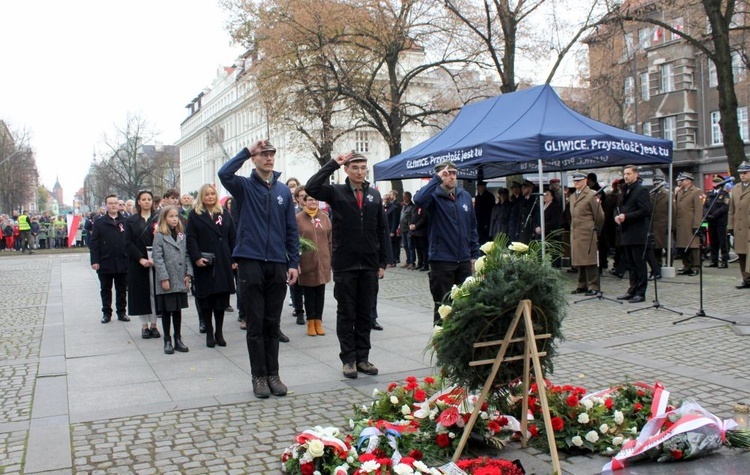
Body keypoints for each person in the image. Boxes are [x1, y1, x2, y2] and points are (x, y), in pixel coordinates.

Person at [218, 139, 299, 399]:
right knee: (255, 324)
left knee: (272, 323)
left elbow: (291, 230)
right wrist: (245, 152)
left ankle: (274, 374)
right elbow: (224, 173)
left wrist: (293, 262)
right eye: (263, 154)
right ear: (255, 158)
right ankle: (258, 376)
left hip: (276, 263)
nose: (268, 158)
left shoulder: (283, 192)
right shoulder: (243, 186)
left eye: (271, 154)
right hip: (250, 260)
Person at [306, 150, 387, 379]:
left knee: (364, 314)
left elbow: (382, 229)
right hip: (345, 263)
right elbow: (311, 187)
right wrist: (332, 163)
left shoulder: (374, 195)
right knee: (346, 313)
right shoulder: (336, 192)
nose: (360, 172)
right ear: (347, 170)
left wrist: (383, 261)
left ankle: (363, 358)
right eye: (355, 168)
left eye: (363, 167)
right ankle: (348, 359)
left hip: (369, 263)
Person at [413, 160, 479, 324]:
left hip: (463, 260)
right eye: (446, 173)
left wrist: (474, 255)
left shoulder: (463, 196)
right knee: (443, 306)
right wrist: (436, 179)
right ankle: (441, 344)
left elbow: (472, 227)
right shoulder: (432, 197)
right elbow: (418, 200)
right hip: (442, 261)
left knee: (464, 305)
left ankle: (460, 342)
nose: (451, 177)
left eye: (454, 173)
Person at [186, 184, 237, 348]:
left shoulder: (223, 213)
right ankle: (209, 331)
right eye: (207, 194)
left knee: (221, 300)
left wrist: (234, 258)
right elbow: (191, 238)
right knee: (206, 299)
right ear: (202, 196)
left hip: (222, 260)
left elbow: (232, 237)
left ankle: (219, 332)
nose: (210, 197)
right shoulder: (195, 215)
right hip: (205, 261)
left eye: (212, 194)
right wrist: (196, 257)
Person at [151, 206, 193, 354]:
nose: (174, 219)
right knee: (167, 311)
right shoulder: (160, 236)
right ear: (164, 218)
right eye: (171, 216)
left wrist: (188, 273)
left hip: (180, 278)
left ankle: (178, 338)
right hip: (167, 279)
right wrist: (164, 277)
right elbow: (157, 258)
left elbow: (187, 255)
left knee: (177, 310)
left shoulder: (181, 235)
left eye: (176, 216)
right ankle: (167, 340)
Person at [294, 188, 332, 337]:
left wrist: (331, 258)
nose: (313, 202)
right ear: (304, 201)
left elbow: (330, 239)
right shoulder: (298, 218)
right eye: (310, 199)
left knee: (320, 292)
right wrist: (295, 261)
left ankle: (319, 321)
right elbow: (294, 240)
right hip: (307, 261)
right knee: (309, 293)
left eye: (315, 199)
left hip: (323, 260)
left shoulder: (325, 217)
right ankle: (310, 321)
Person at [124, 190, 161, 340]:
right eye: (143, 199)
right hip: (138, 259)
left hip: (156, 255)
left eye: (149, 199)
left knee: (155, 292)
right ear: (138, 202)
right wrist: (140, 259)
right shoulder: (131, 220)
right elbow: (127, 243)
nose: (146, 202)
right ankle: (144, 325)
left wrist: (156, 257)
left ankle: (154, 324)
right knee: (141, 293)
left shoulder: (158, 219)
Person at [89, 194, 129, 323]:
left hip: (122, 260)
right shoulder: (99, 223)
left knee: (122, 289)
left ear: (119, 205)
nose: (113, 205)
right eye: (110, 203)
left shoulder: (126, 221)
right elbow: (94, 243)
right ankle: (106, 313)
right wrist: (94, 261)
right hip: (105, 261)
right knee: (105, 289)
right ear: (106, 205)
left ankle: (122, 312)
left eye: (115, 203)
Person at [614, 165, 651, 303]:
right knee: (630, 264)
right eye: (624, 173)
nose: (626, 176)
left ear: (636, 174)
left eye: (629, 173)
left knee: (639, 264)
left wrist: (627, 217)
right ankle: (632, 289)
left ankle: (641, 293)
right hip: (626, 232)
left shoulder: (641, 190)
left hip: (637, 233)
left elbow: (645, 211)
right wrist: (617, 216)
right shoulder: (624, 189)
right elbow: (619, 208)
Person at [569, 171, 603, 296]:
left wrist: (595, 229)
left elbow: (599, 216)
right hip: (577, 232)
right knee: (579, 260)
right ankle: (582, 284)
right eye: (575, 181)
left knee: (590, 260)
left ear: (585, 180)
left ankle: (594, 286)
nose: (576, 183)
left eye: (578, 180)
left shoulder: (591, 195)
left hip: (588, 232)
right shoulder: (573, 196)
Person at [673, 172, 704, 276]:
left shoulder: (696, 191)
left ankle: (695, 266)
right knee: (681, 246)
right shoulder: (680, 191)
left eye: (683, 180)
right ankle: (686, 265)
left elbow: (698, 210)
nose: (680, 182)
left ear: (689, 181)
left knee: (693, 246)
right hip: (680, 223)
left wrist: (697, 225)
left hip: (690, 223)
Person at [729, 161, 750, 288]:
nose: (742, 175)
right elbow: (731, 210)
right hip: (740, 227)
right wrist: (730, 227)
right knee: (741, 254)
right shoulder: (736, 188)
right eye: (741, 173)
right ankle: (746, 280)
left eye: (745, 173)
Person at [704, 176, 730, 268]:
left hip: (720, 221)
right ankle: (714, 260)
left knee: (722, 242)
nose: (714, 184)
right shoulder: (710, 194)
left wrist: (714, 215)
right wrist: (706, 214)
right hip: (711, 221)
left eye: (716, 182)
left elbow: (724, 207)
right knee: (713, 242)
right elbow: (705, 206)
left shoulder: (725, 194)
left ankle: (724, 260)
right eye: (713, 182)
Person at [647, 175, 669, 280]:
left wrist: (671, 226)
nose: (657, 185)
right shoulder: (651, 195)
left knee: (666, 247)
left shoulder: (668, 195)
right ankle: (656, 269)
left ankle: (666, 266)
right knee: (654, 248)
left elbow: (672, 211)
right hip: (653, 226)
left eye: (659, 183)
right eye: (655, 183)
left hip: (663, 225)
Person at [515, 180, 539, 244]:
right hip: (522, 229)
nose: (522, 190)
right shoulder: (522, 200)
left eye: (524, 188)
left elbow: (535, 216)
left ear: (530, 188)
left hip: (530, 229)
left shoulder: (535, 200)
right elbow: (520, 217)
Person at [400, 191, 416, 269]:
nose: (404, 198)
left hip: (408, 229)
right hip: (403, 228)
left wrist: (410, 229)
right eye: (403, 196)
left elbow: (411, 219)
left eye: (405, 196)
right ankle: (408, 261)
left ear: (409, 197)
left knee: (410, 246)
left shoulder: (412, 206)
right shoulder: (404, 206)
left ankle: (412, 262)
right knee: (405, 246)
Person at [410, 204, 429, 271]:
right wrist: (411, 225)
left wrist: (416, 226)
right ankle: (420, 263)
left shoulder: (424, 207)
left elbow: (424, 218)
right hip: (414, 232)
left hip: (421, 231)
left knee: (423, 249)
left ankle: (425, 264)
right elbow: (411, 216)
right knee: (418, 249)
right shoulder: (415, 207)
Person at [385, 190, 401, 267]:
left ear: (394, 195)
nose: (389, 196)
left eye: (390, 195)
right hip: (388, 228)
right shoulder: (389, 206)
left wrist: (393, 231)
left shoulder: (395, 206)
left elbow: (395, 219)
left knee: (394, 245)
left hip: (392, 228)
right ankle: (390, 260)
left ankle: (394, 260)